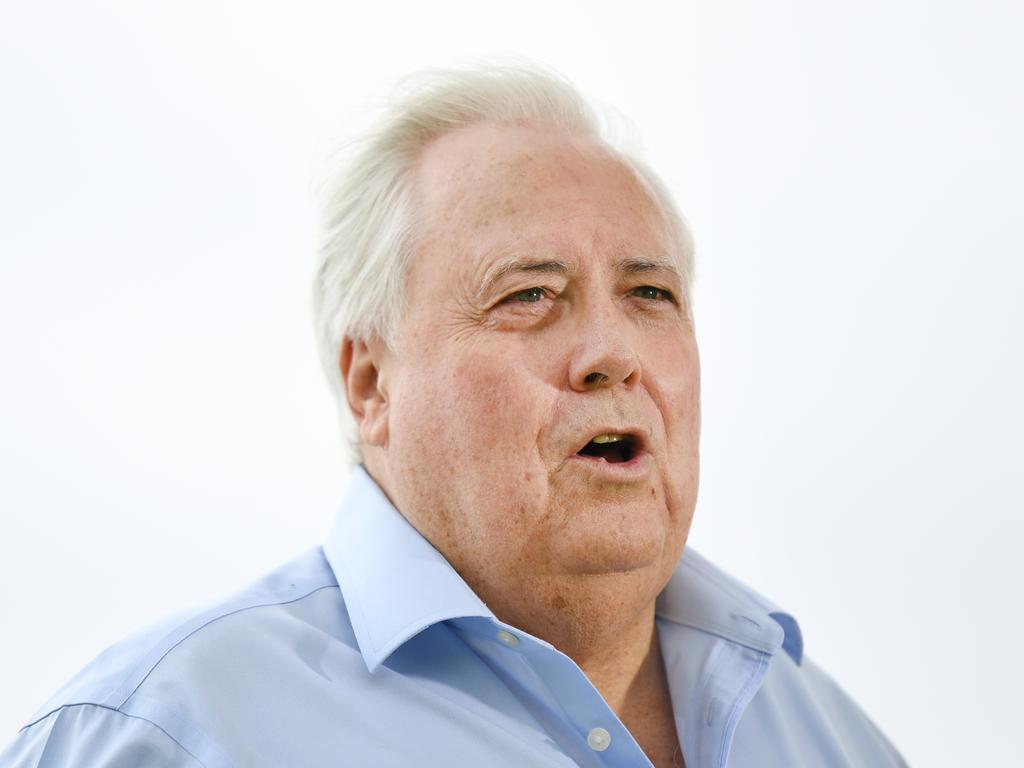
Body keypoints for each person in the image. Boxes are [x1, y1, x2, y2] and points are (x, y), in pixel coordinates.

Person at [0, 61, 908, 768]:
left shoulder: (825, 732)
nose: (612, 352)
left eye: (650, 293)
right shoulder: (166, 734)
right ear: (371, 383)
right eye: (529, 295)